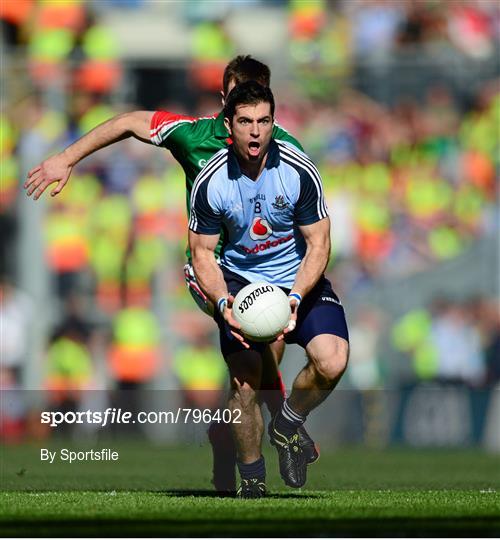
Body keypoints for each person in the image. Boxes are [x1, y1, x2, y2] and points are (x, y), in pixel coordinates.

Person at [23, 55, 318, 493]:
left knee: (254, 369)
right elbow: (129, 121)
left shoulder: (283, 146)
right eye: (239, 97)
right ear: (225, 99)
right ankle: (277, 438)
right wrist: (66, 157)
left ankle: (227, 434)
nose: (251, 117)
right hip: (211, 270)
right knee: (258, 348)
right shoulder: (193, 135)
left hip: (264, 272)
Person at [189, 81, 349, 498]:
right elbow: (202, 254)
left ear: (274, 124)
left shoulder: (298, 170)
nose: (255, 131)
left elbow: (319, 242)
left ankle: (287, 424)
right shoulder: (210, 182)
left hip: (298, 279)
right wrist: (223, 302)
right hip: (242, 285)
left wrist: (295, 297)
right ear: (230, 125)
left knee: (332, 361)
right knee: (245, 383)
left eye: (263, 121)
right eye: (245, 122)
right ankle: (253, 482)